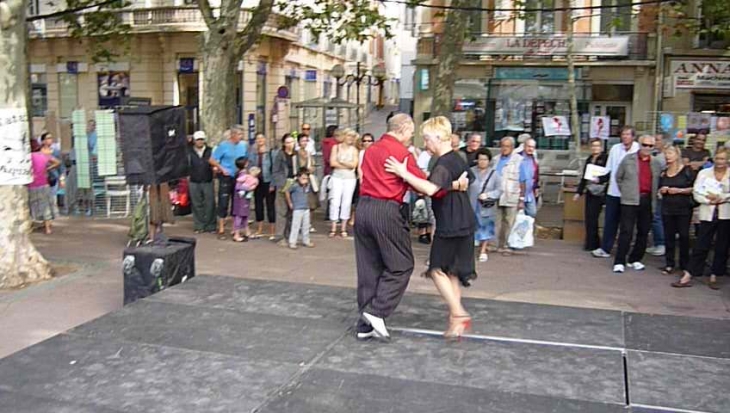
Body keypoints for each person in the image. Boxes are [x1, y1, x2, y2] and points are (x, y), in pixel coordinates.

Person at [355, 113, 467, 340]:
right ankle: (376, 312)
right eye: (412, 133)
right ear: (403, 129)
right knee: (401, 264)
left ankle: (365, 324)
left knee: (369, 267)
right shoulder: (401, 153)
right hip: (386, 210)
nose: (412, 138)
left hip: (363, 208)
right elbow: (426, 187)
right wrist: (453, 185)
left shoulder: (370, 150)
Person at [385, 116, 475, 338]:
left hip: (451, 222)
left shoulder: (443, 162)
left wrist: (403, 173)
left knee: (436, 269)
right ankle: (455, 322)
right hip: (463, 219)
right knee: (451, 272)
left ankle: (459, 313)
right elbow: (465, 180)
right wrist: (454, 185)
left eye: (426, 139)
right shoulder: (457, 158)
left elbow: (431, 189)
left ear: (437, 137)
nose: (425, 144)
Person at [672, 148, 730, 290]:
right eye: (717, 158)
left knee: (721, 245)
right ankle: (689, 274)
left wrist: (721, 198)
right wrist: (708, 200)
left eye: (723, 159)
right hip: (707, 212)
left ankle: (715, 275)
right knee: (701, 244)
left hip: (725, 213)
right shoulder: (704, 173)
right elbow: (697, 192)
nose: (720, 162)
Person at [612, 135, 663, 273]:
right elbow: (618, 177)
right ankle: (619, 261)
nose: (647, 148)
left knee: (644, 231)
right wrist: (626, 191)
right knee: (626, 231)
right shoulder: (628, 159)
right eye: (645, 145)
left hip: (647, 199)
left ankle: (635, 259)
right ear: (639, 144)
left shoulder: (656, 163)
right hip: (630, 199)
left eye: (650, 146)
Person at [593, 126, 639, 258]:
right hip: (613, 191)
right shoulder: (615, 149)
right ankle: (605, 248)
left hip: (629, 194)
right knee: (610, 221)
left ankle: (625, 250)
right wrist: (599, 179)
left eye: (628, 134)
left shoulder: (637, 149)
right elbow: (609, 169)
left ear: (633, 137)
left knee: (627, 224)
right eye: (623, 134)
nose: (625, 137)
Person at [658, 146, 695, 275]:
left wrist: (679, 190)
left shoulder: (686, 170)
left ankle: (684, 264)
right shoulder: (664, 172)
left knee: (684, 236)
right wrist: (662, 190)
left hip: (683, 208)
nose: (667, 156)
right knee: (669, 236)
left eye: (670, 153)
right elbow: (659, 188)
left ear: (677, 155)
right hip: (667, 208)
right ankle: (669, 263)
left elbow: (693, 188)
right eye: (666, 153)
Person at [212, 127, 248, 239]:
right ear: (233, 135)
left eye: (242, 134)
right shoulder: (223, 146)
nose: (241, 137)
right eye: (239, 134)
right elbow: (212, 159)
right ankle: (222, 227)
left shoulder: (243, 145)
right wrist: (221, 168)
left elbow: (245, 159)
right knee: (223, 201)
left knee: (236, 201)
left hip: (239, 176)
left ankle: (234, 227)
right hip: (226, 176)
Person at [574, 139, 609, 251]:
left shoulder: (605, 158)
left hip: (600, 191)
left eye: (597, 146)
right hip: (590, 190)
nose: (595, 148)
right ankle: (591, 242)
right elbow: (584, 177)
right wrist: (579, 192)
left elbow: (609, 174)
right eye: (593, 146)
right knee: (589, 217)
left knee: (595, 217)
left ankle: (596, 243)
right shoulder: (589, 159)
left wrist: (600, 179)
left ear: (601, 147)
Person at [470, 148, 502, 262]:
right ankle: (469, 251)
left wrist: (488, 194)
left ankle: (483, 250)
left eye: (485, 159)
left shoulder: (495, 174)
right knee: (470, 228)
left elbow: (499, 190)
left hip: (486, 206)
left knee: (486, 228)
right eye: (480, 159)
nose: (482, 162)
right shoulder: (471, 171)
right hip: (471, 205)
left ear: (489, 161)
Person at [492, 137, 522, 255]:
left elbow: (523, 180)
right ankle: (494, 244)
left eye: (507, 146)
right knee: (495, 221)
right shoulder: (495, 160)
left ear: (512, 148)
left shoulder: (519, 160)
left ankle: (507, 245)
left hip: (512, 195)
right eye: (502, 146)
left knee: (509, 221)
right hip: (497, 194)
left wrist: (522, 198)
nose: (504, 148)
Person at [328, 128, 359, 238]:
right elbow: (332, 163)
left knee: (346, 202)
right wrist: (346, 164)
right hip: (337, 177)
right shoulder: (336, 147)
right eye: (349, 136)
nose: (350, 139)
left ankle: (343, 228)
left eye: (352, 137)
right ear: (344, 136)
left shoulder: (354, 150)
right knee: (335, 201)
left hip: (350, 178)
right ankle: (333, 227)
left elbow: (354, 165)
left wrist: (340, 162)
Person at [28, 140, 61, 235]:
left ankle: (33, 224)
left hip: (32, 184)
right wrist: (48, 168)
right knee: (45, 205)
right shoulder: (43, 156)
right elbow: (57, 162)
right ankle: (48, 228)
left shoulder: (28, 157)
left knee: (32, 205)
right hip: (44, 183)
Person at [187, 131, 217, 234]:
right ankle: (199, 225)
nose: (200, 142)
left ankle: (211, 225)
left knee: (210, 203)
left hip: (207, 180)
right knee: (196, 204)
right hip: (194, 180)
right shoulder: (189, 151)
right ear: (194, 141)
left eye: (201, 139)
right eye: (198, 140)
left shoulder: (211, 150)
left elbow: (215, 163)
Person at [249, 133, 276, 240]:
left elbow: (274, 169)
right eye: (258, 138)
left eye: (261, 138)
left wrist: (273, 184)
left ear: (265, 139)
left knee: (270, 205)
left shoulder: (270, 153)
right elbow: (250, 166)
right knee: (258, 205)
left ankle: (272, 230)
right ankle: (259, 228)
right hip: (257, 182)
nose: (260, 140)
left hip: (268, 181)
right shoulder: (253, 153)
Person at [272, 134, 297, 245]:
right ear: (283, 144)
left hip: (295, 184)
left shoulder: (297, 154)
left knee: (293, 211)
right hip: (283, 184)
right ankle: (279, 236)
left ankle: (290, 234)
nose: (290, 144)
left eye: (291, 142)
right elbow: (276, 171)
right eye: (287, 142)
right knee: (281, 210)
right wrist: (282, 184)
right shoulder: (280, 155)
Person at [647, 133, 668, 257]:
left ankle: (661, 243)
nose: (655, 143)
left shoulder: (661, 158)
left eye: (658, 140)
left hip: (660, 192)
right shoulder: (655, 155)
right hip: (653, 191)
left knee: (656, 217)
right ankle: (656, 243)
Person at [231, 160, 259, 243]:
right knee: (239, 215)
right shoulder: (243, 175)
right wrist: (250, 188)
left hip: (245, 199)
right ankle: (236, 234)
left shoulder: (244, 174)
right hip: (241, 199)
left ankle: (247, 232)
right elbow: (238, 186)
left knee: (245, 215)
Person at [287, 168, 315, 249]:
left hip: (306, 207)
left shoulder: (308, 185)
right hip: (297, 208)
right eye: (303, 178)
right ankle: (292, 242)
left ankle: (306, 240)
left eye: (306, 178)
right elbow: (287, 191)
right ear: (298, 177)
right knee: (296, 225)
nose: (305, 180)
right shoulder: (295, 185)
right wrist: (290, 203)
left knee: (306, 225)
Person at [519, 137, 539, 218]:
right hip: (518, 192)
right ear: (524, 146)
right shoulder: (517, 157)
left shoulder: (534, 159)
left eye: (532, 147)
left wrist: (537, 187)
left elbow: (536, 175)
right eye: (529, 146)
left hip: (530, 193)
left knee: (532, 213)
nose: (530, 149)